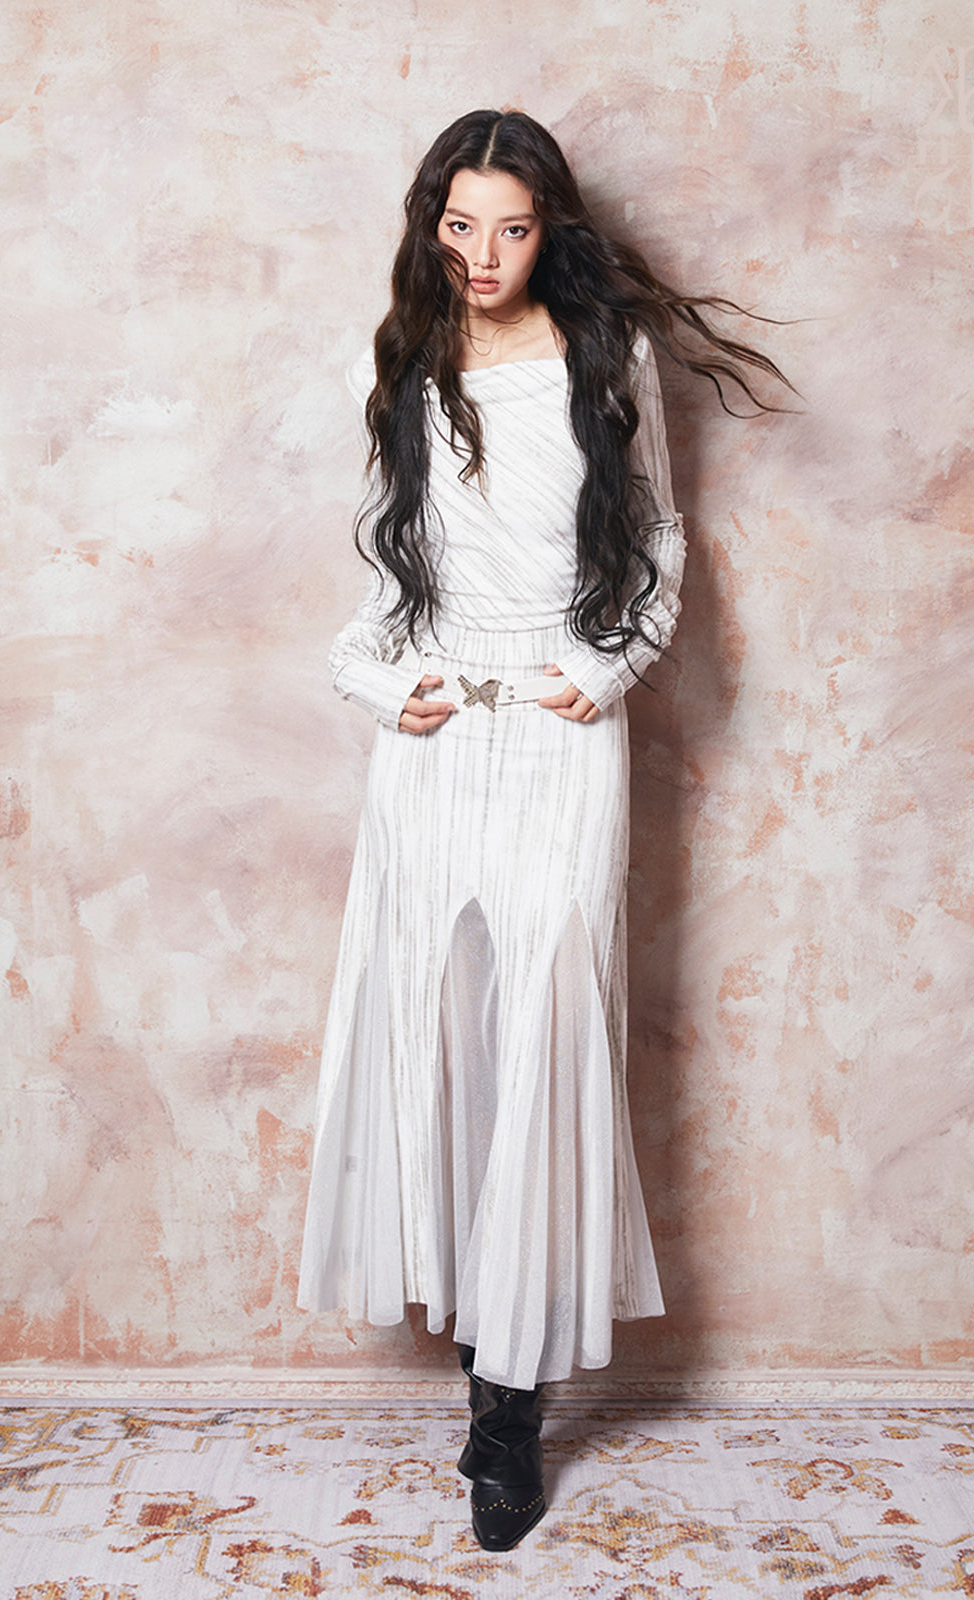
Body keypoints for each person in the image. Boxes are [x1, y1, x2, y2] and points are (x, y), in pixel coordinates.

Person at [297, 108, 786, 1552]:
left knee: (549, 1024)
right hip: (437, 733)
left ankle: (509, 1406)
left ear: (548, 229)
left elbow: (659, 538)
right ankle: (482, 1359)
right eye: (460, 226)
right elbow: (382, 571)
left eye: (511, 228)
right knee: (446, 1026)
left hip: (565, 727)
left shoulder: (603, 355)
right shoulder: (405, 359)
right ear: (430, 224)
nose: (484, 255)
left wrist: (611, 666)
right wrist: (377, 684)